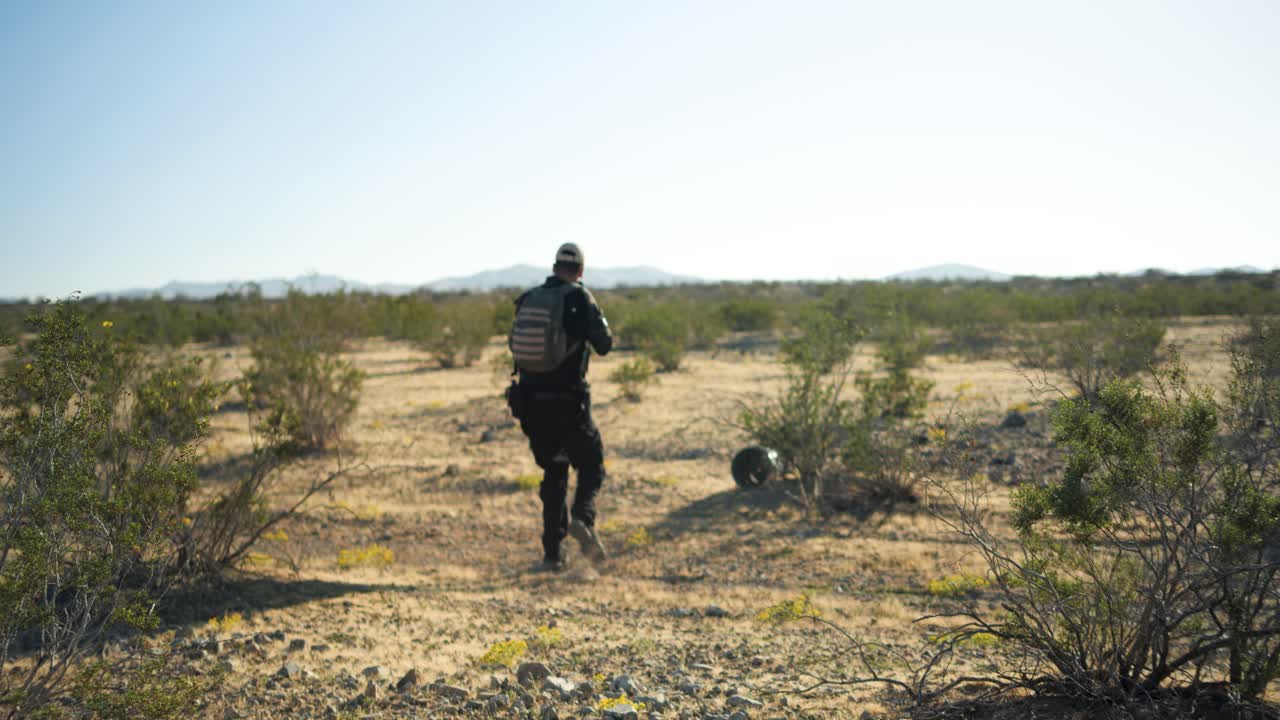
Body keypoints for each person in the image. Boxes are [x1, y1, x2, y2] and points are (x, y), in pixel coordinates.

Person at [511, 243, 613, 572]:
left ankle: (553, 555)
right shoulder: (580, 298)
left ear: (555, 266)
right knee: (592, 465)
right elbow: (604, 345)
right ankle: (583, 518)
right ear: (580, 271)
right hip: (569, 402)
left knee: (554, 471)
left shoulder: (528, 298)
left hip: (530, 403)